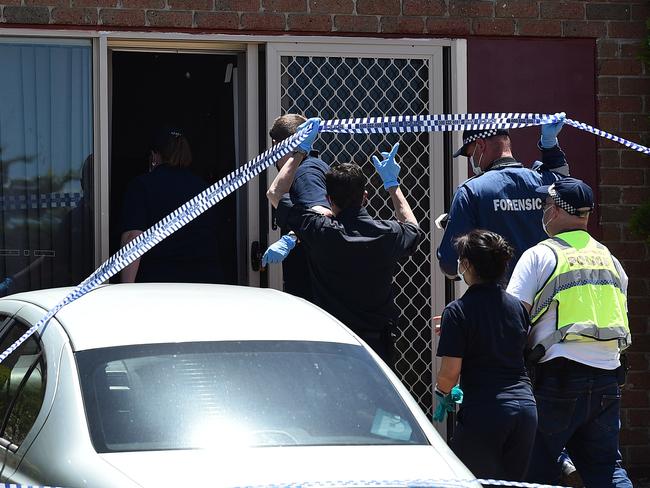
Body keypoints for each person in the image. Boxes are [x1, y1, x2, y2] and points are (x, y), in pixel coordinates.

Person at [506, 178, 632, 488]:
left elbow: (512, 317)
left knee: (535, 468)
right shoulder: (610, 260)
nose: (544, 211)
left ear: (558, 210)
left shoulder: (540, 255)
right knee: (606, 469)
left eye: (546, 205)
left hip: (557, 378)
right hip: (607, 377)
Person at [266, 119, 423, 365]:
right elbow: (413, 228)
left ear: (328, 198)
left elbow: (275, 193)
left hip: (333, 341)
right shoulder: (386, 234)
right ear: (366, 197)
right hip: (376, 346)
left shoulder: (323, 232)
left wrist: (298, 153)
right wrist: (393, 185)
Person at [435, 229, 537, 481]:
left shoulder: (458, 311)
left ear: (467, 264)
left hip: (486, 412)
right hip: (525, 410)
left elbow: (449, 374)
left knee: (471, 482)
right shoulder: (517, 307)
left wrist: (443, 394)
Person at [437, 114, 569, 281]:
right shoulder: (545, 183)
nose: (472, 161)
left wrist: (455, 226)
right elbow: (566, 184)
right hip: (546, 299)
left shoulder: (470, 192)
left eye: (471, 154)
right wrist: (549, 145)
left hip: (498, 302)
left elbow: (449, 264)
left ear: (480, 145)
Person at [120, 127, 224, 284]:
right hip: (204, 282)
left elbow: (133, 237)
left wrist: (126, 288)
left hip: (160, 283)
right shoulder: (205, 188)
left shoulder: (142, 186)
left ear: (155, 155)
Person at [262, 114, 331, 303]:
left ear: (277, 145)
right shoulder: (308, 168)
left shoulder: (305, 173)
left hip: (313, 288)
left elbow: (323, 214)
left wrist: (291, 239)